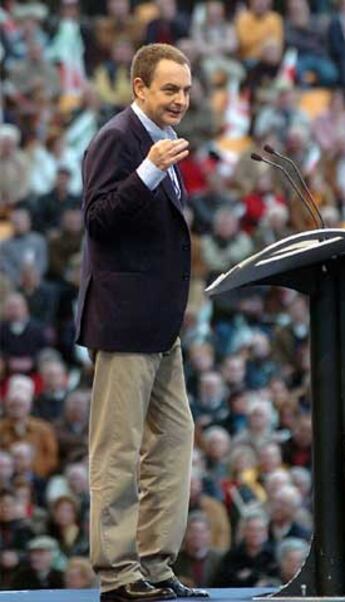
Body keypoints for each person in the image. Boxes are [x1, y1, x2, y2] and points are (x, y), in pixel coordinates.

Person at [75, 43, 208, 601]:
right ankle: (117, 575)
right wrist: (149, 173)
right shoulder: (118, 140)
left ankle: (154, 565)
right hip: (125, 323)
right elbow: (99, 220)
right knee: (118, 450)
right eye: (169, 89)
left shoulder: (161, 141)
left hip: (160, 327)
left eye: (185, 89)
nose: (180, 99)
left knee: (175, 440)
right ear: (139, 88)